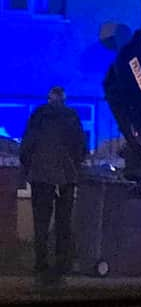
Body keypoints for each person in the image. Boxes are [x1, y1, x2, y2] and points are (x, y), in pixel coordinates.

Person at [19, 87, 87, 286]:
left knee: (41, 222)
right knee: (63, 222)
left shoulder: (38, 115)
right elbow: (80, 147)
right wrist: (74, 166)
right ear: (64, 99)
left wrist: (29, 166)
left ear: (49, 98)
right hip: (66, 176)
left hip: (41, 176)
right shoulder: (72, 117)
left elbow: (26, 146)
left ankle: (41, 265)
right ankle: (61, 266)